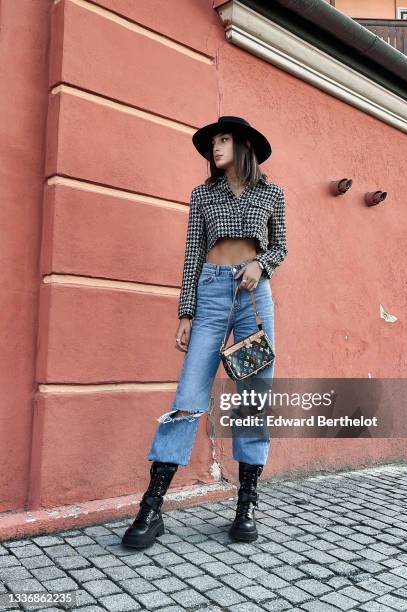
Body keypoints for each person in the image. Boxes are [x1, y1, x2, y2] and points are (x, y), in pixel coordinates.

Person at [122, 116, 288, 549]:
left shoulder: (272, 192)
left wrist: (261, 265)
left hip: (254, 298)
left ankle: (247, 501)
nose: (215, 148)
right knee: (189, 395)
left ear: (243, 145)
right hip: (212, 293)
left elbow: (281, 246)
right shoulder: (202, 195)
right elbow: (193, 252)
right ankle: (153, 506)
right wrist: (185, 312)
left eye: (224, 140)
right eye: (212, 142)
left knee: (253, 394)